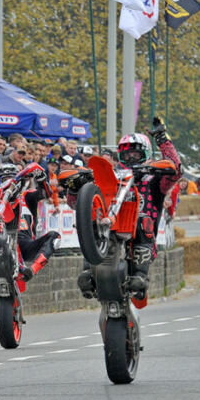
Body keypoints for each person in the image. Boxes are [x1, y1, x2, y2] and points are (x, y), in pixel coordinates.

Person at [78, 117, 182, 304]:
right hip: (113, 225)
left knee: (143, 222)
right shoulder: (110, 176)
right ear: (120, 155)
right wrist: (75, 188)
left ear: (146, 153)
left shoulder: (155, 178)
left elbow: (176, 170)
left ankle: (140, 274)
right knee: (93, 224)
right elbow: (82, 202)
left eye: (136, 154)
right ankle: (88, 270)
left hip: (141, 234)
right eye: (127, 155)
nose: (131, 158)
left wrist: (162, 139)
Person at [0, 162, 61, 286]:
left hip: (24, 244)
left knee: (55, 237)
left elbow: (45, 193)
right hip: (1, 243)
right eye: (4, 180)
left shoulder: (27, 196)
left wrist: (41, 178)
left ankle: (32, 270)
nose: (8, 183)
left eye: (11, 179)